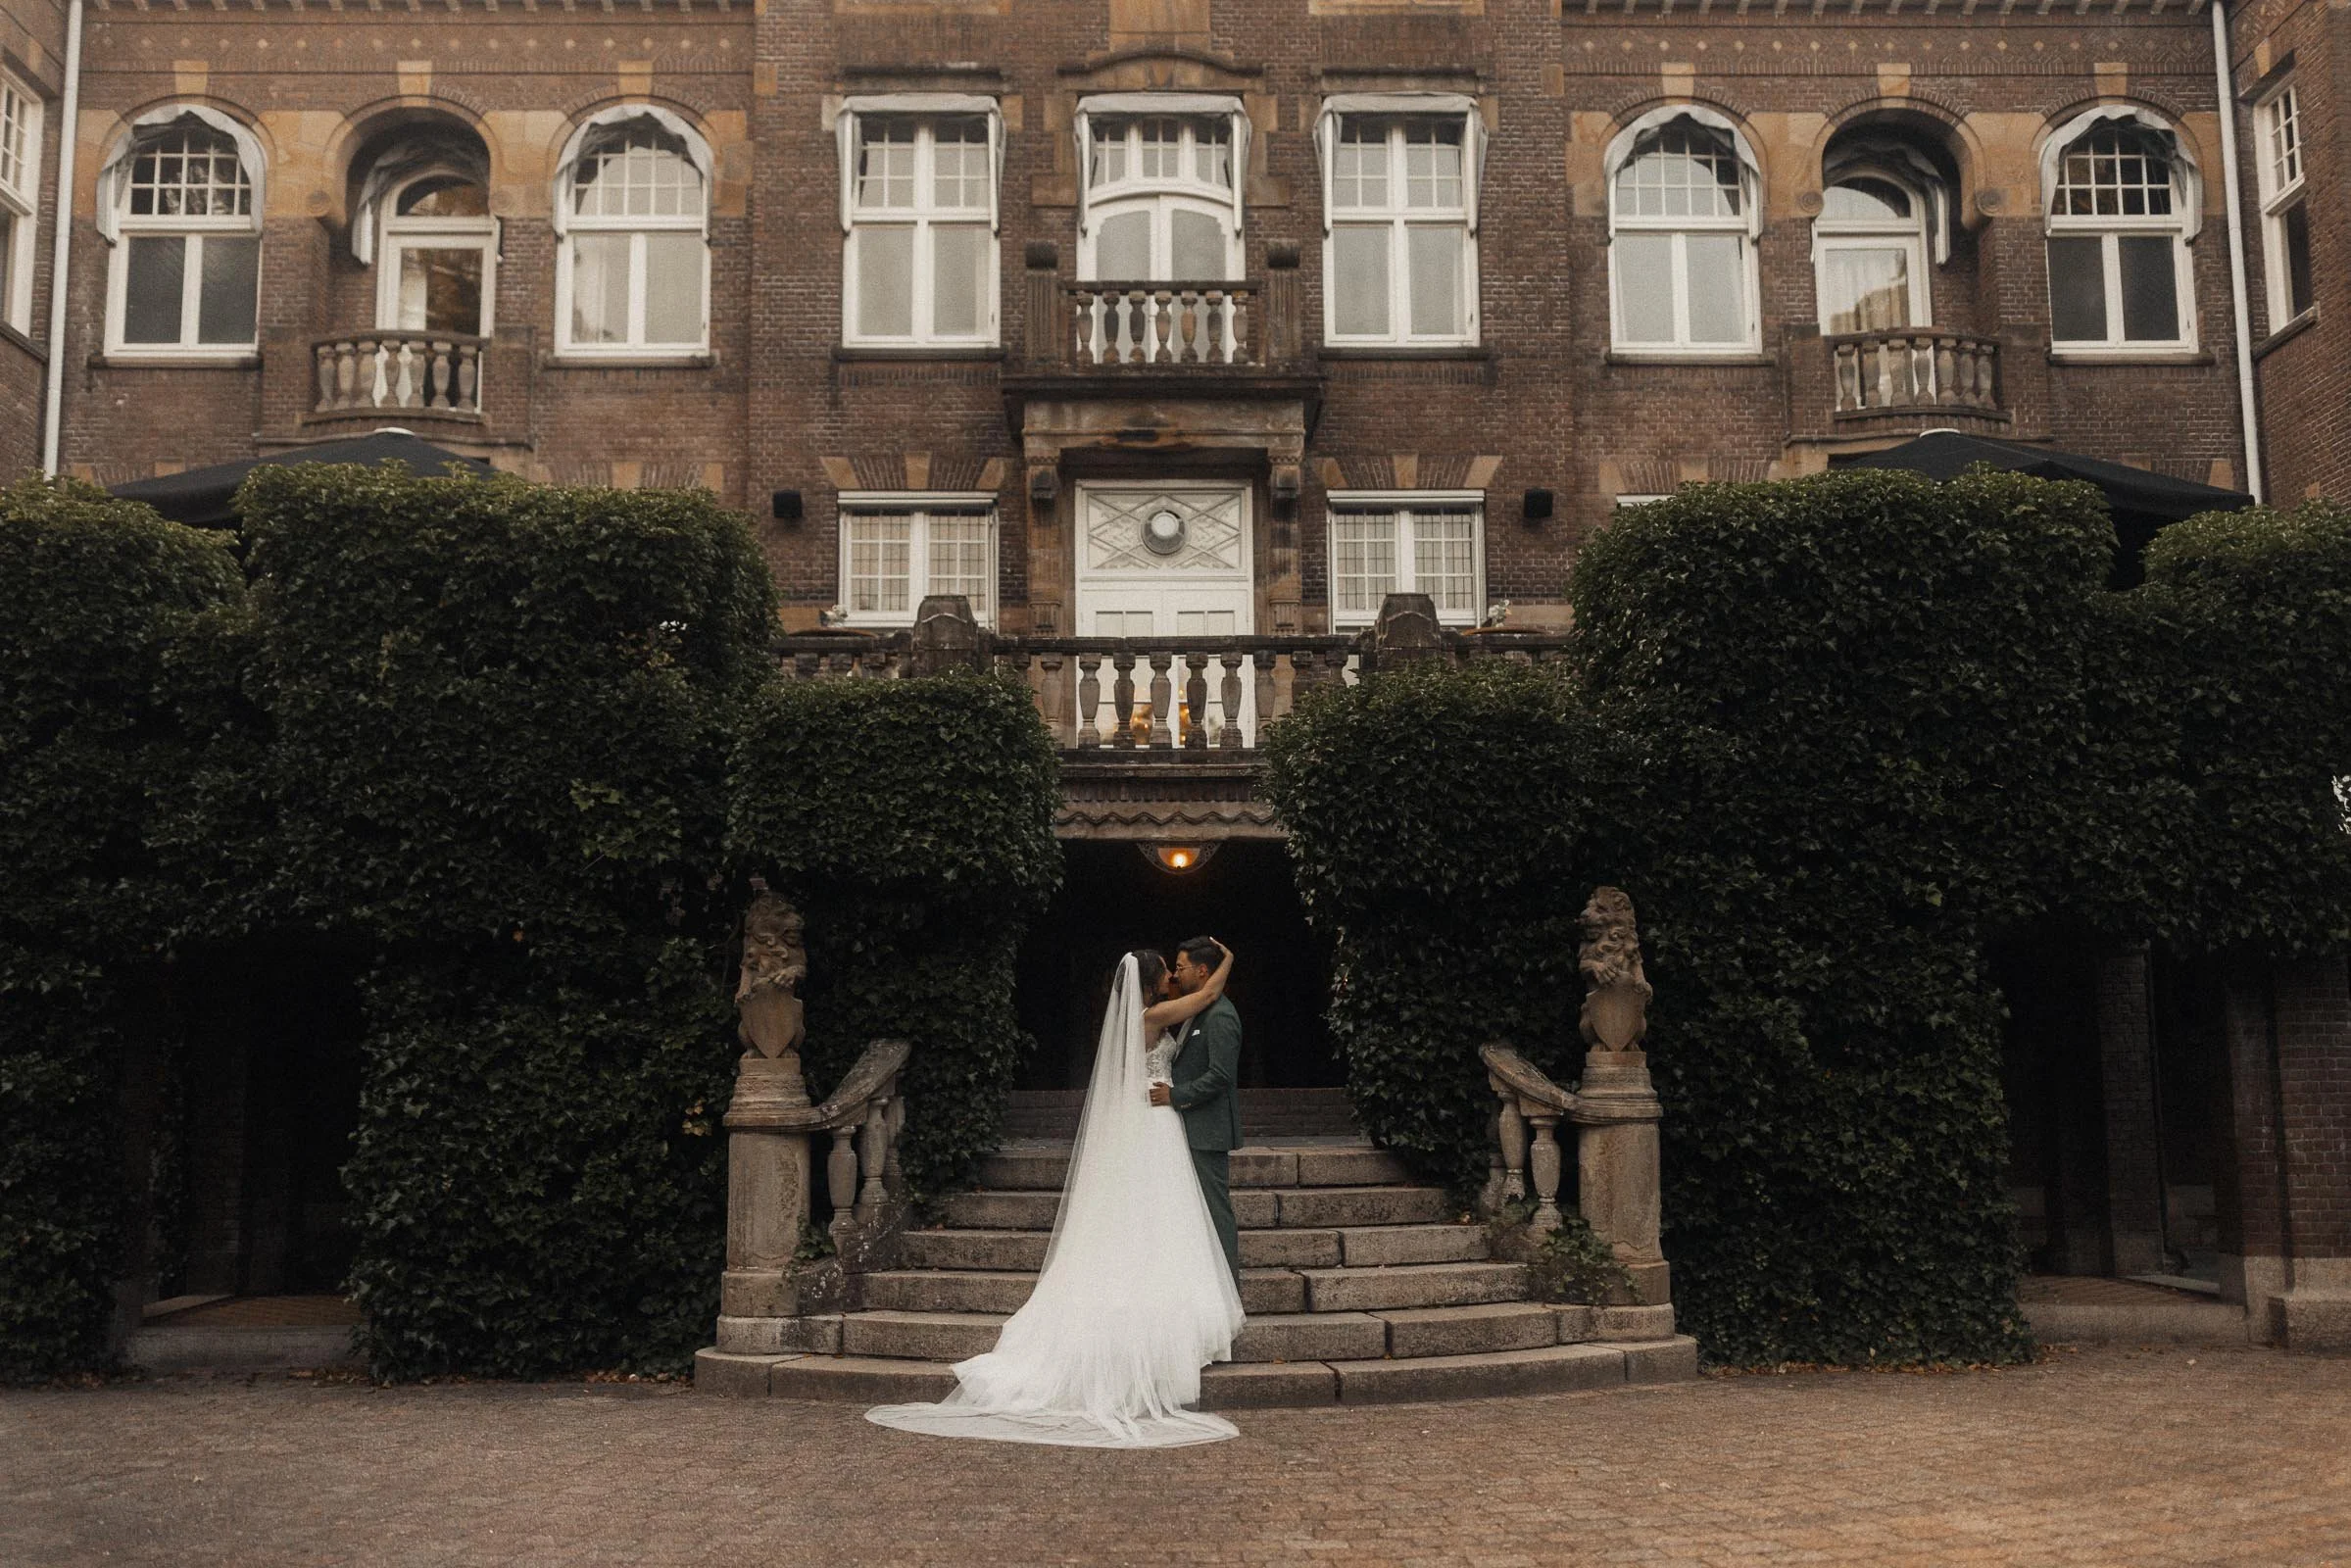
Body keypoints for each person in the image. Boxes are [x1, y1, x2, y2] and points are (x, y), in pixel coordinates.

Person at [864, 941, 1245, 1447]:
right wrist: (1229, 961)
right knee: (1156, 1214)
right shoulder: (1152, 1016)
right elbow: (1209, 992)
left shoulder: (1137, 1019)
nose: (1175, 978)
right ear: (1151, 983)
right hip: (1153, 1124)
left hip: (1151, 1122)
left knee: (1146, 1214)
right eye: (1169, 973)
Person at [1150, 936, 1244, 1290]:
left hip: (1208, 1130)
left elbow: (1221, 1075)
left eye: (1181, 967)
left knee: (1216, 1213)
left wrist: (1176, 1096)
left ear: (1203, 971)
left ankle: (1228, 1292)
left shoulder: (1220, 1015)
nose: (1175, 975)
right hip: (1189, 1127)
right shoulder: (1199, 1006)